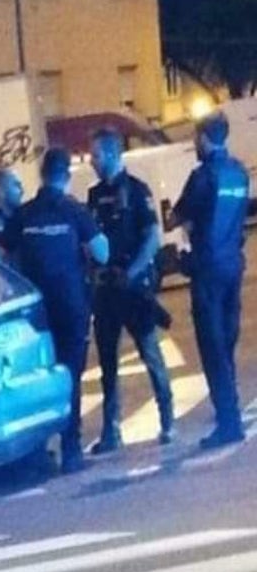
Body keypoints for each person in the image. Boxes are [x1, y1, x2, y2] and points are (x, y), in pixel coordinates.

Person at [4, 148, 110, 473]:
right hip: (70, 307)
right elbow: (103, 253)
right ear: (66, 176)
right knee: (70, 378)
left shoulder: (23, 215)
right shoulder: (74, 211)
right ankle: (71, 449)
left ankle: (37, 452)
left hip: (36, 313)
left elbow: (2, 259)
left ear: (42, 175)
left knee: (35, 379)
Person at [86, 129, 176, 452]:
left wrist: (133, 271)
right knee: (107, 363)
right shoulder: (94, 195)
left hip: (133, 288)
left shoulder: (137, 191)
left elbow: (152, 237)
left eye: (95, 154)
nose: (92, 160)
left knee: (150, 353)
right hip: (107, 290)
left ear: (111, 154)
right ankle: (111, 431)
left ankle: (167, 418)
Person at [170, 113, 250, 449]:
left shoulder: (203, 176)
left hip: (207, 269)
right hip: (233, 264)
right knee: (227, 342)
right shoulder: (239, 172)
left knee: (213, 347)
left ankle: (229, 423)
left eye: (194, 138)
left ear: (204, 138)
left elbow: (177, 215)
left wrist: (189, 226)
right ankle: (229, 409)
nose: (193, 144)